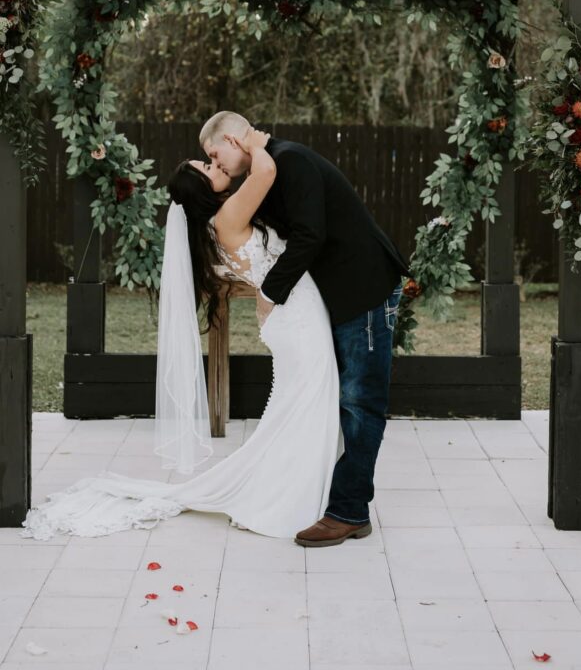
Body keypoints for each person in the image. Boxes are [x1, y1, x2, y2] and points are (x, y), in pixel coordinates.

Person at [20, 129, 344, 542]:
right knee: (306, 405)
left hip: (292, 316)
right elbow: (264, 172)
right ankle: (284, 500)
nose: (216, 165)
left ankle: (296, 492)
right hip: (296, 318)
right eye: (208, 166)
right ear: (203, 189)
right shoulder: (227, 218)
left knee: (296, 407)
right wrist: (254, 142)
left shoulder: (217, 222)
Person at [200, 112, 409, 547]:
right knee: (343, 398)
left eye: (216, 155)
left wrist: (269, 292)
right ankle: (331, 496)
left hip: (364, 287)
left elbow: (310, 235)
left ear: (234, 140)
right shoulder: (267, 167)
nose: (217, 165)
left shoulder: (290, 161)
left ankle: (349, 512)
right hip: (338, 294)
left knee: (360, 401)